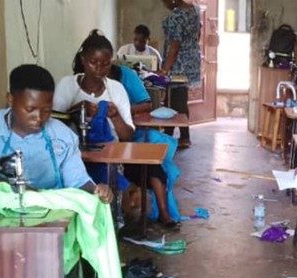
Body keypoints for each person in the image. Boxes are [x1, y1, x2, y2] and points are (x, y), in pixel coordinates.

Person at [53, 29, 180, 229]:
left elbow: (127, 135)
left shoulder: (116, 89)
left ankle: (113, 222)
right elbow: (54, 123)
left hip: (111, 153)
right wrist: (76, 110)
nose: (99, 68)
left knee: (150, 171)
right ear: (83, 60)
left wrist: (115, 116)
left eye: (105, 63)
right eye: (93, 62)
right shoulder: (67, 86)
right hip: (73, 152)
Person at [0, 64, 112, 203]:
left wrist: (96, 190)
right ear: (10, 99)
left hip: (51, 216)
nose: (39, 117)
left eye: (46, 110)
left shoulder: (62, 136)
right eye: (30, 109)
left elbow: (77, 181)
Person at [108, 63, 185, 223]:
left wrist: (122, 112)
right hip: (106, 152)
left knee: (154, 168)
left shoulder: (121, 96)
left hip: (123, 146)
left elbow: (126, 134)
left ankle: (164, 213)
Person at [160, 0, 201, 149]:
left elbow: (174, 46)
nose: (165, 5)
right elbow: (198, 34)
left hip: (178, 64)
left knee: (174, 100)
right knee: (179, 100)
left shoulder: (176, 16)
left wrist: (164, 69)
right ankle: (179, 135)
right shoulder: (195, 10)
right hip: (191, 61)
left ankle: (176, 136)